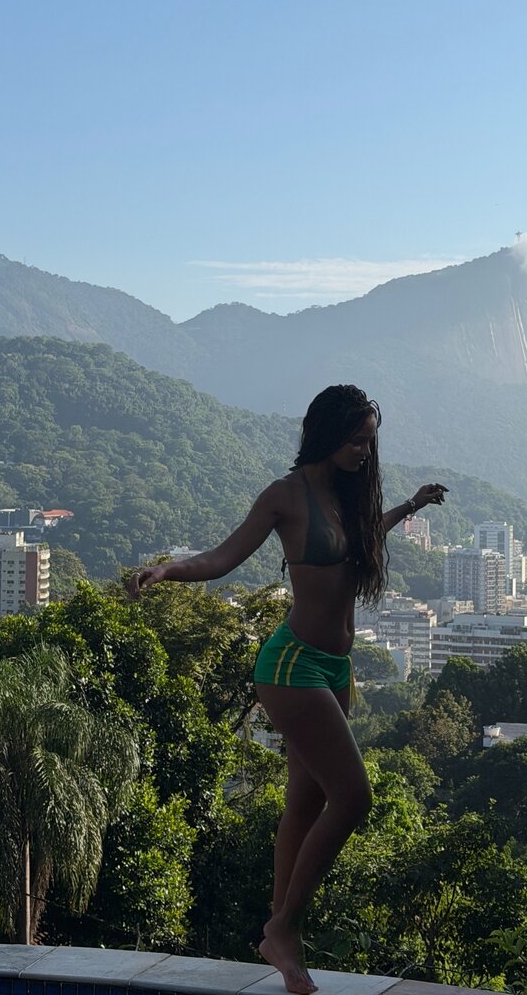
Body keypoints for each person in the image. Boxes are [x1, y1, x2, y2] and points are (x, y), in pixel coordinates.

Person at [129, 384, 447, 994]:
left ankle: (280, 934)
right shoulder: (286, 495)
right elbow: (223, 557)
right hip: (292, 666)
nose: (363, 451)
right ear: (326, 434)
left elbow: (362, 541)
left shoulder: (348, 494)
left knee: (304, 803)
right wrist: (167, 570)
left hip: (335, 670)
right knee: (354, 799)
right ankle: (285, 926)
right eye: (355, 440)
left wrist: (411, 505)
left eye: (369, 442)